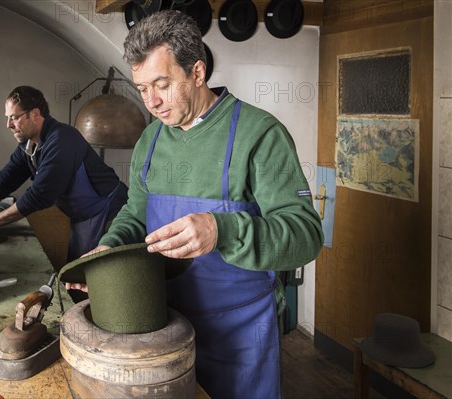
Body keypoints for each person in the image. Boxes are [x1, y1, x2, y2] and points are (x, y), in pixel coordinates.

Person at [66, 10, 323, 399]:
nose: (151, 101)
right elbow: (136, 212)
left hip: (238, 333)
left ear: (197, 72)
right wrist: (110, 250)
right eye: (142, 88)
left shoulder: (259, 134)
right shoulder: (150, 140)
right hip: (161, 327)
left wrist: (223, 230)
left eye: (162, 84)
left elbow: (306, 235)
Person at [0, 85, 128, 275]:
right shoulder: (28, 146)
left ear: (35, 114)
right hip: (83, 219)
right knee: (76, 276)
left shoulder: (62, 139)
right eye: (7, 118)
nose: (8, 125)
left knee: (103, 277)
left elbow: (39, 194)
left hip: (111, 215)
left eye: (14, 117)